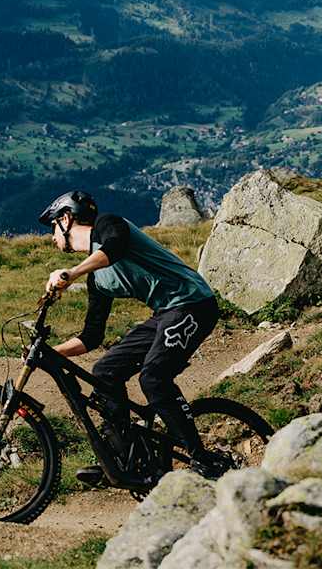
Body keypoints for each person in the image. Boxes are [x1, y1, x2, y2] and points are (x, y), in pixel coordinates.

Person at [38, 190, 223, 482]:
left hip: (193, 303)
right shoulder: (96, 279)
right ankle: (126, 459)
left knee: (153, 378)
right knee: (105, 371)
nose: (52, 237)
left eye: (53, 227)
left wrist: (71, 273)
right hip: (165, 313)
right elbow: (91, 336)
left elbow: (115, 247)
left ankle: (202, 458)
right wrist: (53, 353)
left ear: (66, 218)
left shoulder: (108, 225)